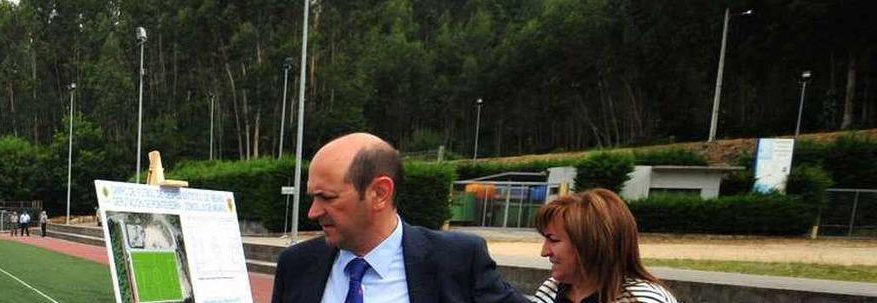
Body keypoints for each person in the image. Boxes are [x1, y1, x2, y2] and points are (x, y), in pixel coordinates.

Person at [271, 132, 529, 303]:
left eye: (327, 197)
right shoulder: (296, 265)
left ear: (380, 193)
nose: (313, 212)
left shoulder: (458, 261)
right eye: (312, 197)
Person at [529, 189, 678, 303]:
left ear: (591, 244)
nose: (544, 252)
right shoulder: (550, 289)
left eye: (553, 240)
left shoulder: (643, 299)